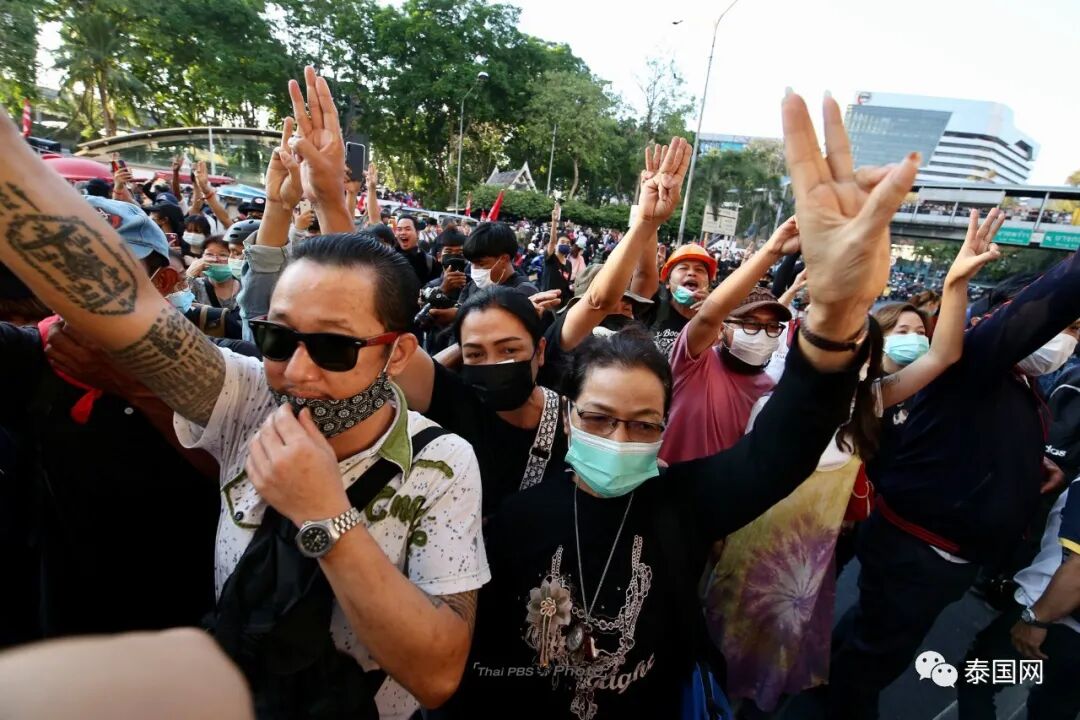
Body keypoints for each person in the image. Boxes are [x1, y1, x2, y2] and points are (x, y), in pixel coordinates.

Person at [0, 67, 489, 720]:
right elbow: (124, 304)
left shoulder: (443, 464)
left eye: (334, 347)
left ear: (396, 353)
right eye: (277, 338)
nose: (297, 372)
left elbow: (437, 672)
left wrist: (324, 514)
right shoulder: (250, 399)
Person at [436, 90, 922, 719]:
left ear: (665, 428)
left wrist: (832, 322)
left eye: (644, 424)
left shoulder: (687, 505)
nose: (619, 437)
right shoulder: (512, 523)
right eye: (599, 418)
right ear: (569, 412)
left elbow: (784, 447)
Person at [707, 208, 1004, 715]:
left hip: (807, 570)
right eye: (837, 345)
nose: (848, 357)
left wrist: (955, 285)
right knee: (716, 654)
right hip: (742, 553)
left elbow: (942, 356)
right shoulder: (770, 394)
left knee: (767, 674)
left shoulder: (869, 403)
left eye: (860, 348)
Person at [829, 207, 1080, 717]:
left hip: (948, 558)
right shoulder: (975, 358)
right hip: (920, 551)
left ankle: (828, 682)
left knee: (873, 639)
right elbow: (1042, 308)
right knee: (874, 656)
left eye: (1076, 330)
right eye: (1065, 324)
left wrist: (1029, 467)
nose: (1067, 338)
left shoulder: (1022, 386)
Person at [394, 140, 692, 520]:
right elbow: (389, 359)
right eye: (477, 353)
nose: (494, 363)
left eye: (509, 349)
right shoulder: (458, 400)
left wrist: (646, 224)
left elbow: (598, 300)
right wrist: (462, 348)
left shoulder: (570, 412)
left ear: (540, 350)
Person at [0, 196, 221, 643]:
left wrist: (131, 385)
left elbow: (237, 470)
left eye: (105, 272)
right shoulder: (28, 355)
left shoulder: (221, 366)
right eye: (61, 272)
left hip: (190, 632)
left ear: (164, 281)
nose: (81, 291)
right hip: (67, 635)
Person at [659, 217, 801, 466]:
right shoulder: (693, 362)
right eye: (750, 323)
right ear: (722, 328)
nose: (762, 334)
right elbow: (708, 317)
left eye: (771, 327)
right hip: (667, 482)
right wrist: (772, 250)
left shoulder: (768, 390)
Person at [956, 477, 1080, 720]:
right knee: (1052, 709)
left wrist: (1036, 620)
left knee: (977, 680)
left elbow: (1077, 570)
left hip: (1051, 615)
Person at [634, 241, 715, 357]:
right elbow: (643, 274)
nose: (691, 273)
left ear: (708, 285)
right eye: (683, 268)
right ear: (668, 282)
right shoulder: (654, 304)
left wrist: (712, 316)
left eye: (699, 270)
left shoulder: (714, 320)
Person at [187, 235, 242, 311]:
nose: (215, 260)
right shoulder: (194, 285)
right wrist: (189, 274)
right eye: (209, 254)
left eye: (223, 255)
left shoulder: (245, 287)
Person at [541, 204, 573, 308]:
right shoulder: (551, 258)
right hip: (546, 302)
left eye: (568, 243)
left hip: (561, 304)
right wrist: (554, 222)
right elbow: (552, 241)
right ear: (556, 245)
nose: (566, 245)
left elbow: (566, 283)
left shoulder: (569, 264)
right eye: (562, 242)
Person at [395, 215, 440, 283]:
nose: (403, 232)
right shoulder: (387, 258)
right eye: (399, 229)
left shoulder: (429, 262)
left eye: (407, 229)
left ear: (417, 233)